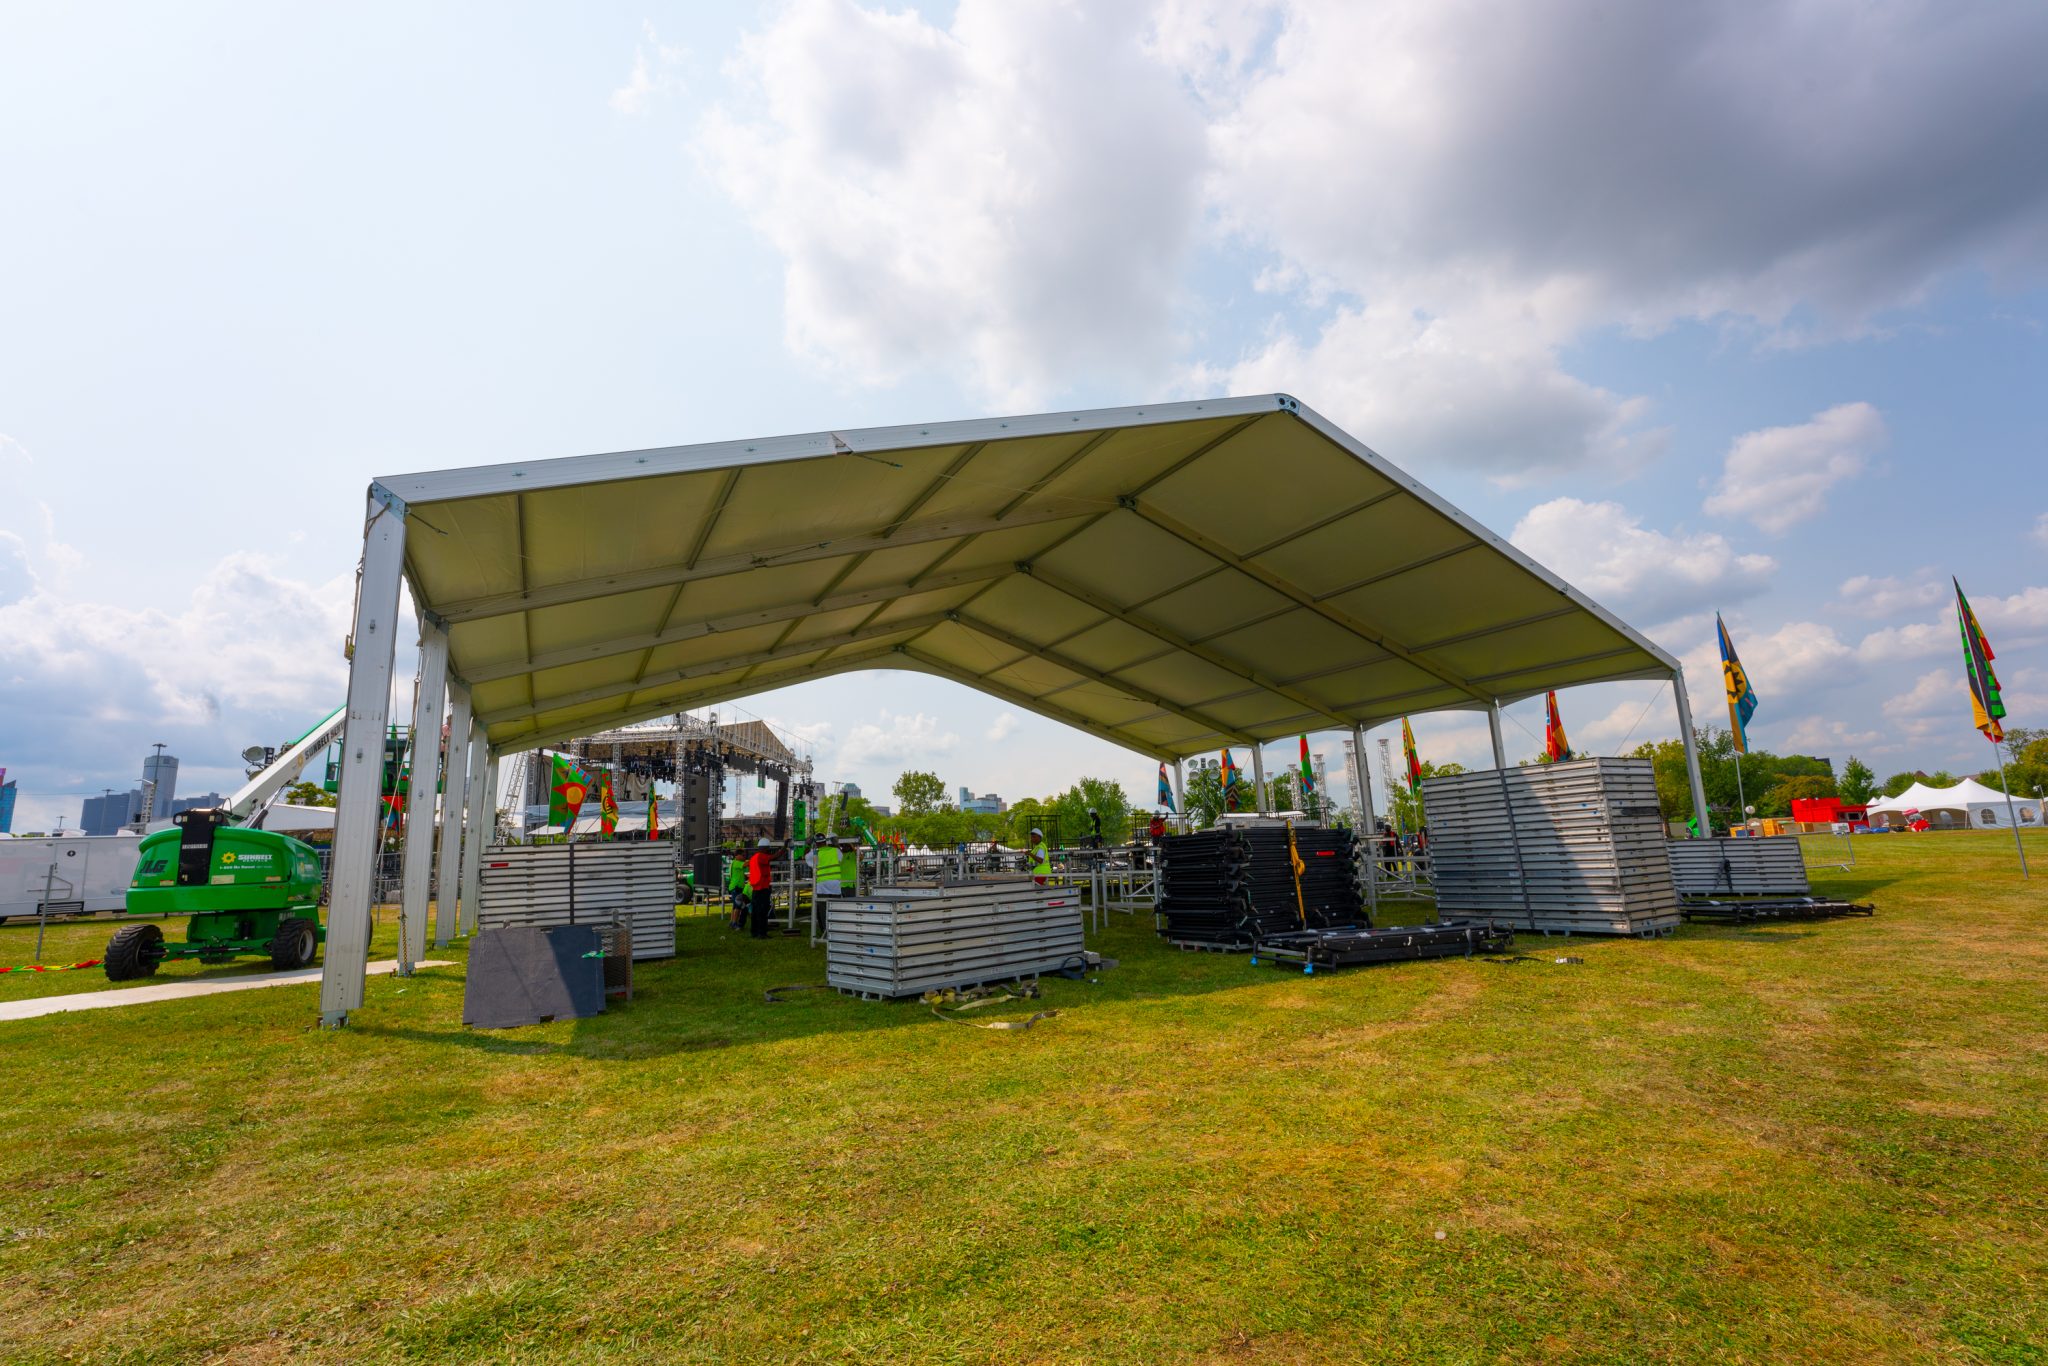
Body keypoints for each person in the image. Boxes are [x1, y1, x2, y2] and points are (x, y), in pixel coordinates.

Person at [747, 838, 774, 939]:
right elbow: (774, 857)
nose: (768, 850)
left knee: (755, 911)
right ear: (765, 848)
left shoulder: (754, 857)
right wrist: (784, 847)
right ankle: (761, 933)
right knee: (762, 911)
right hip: (762, 888)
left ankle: (754, 932)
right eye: (768, 848)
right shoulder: (761, 856)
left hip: (756, 888)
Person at [725, 848, 749, 930]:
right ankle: (734, 923)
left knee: (735, 906)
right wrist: (755, 859)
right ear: (737, 855)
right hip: (736, 887)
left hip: (735, 887)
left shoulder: (735, 862)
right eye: (743, 855)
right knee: (738, 906)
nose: (744, 857)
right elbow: (746, 865)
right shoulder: (737, 863)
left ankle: (732, 922)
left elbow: (745, 869)